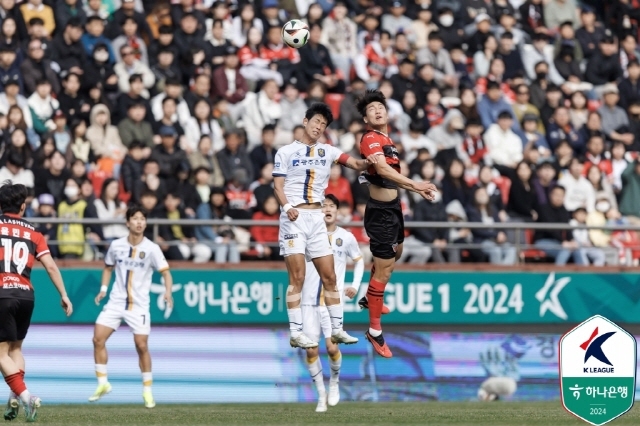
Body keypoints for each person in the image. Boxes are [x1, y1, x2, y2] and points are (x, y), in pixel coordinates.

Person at [272, 103, 373, 349]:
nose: (319, 127)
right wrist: (287, 208)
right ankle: (296, 332)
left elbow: (356, 164)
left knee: (329, 276)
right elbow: (277, 187)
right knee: (297, 277)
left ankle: (337, 329)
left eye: (324, 125)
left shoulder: (328, 151)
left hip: (317, 218)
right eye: (316, 121)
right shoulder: (285, 152)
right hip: (293, 218)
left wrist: (372, 160)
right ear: (305, 121)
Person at [355, 90, 436, 358]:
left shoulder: (388, 139)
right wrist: (417, 186)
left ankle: (370, 296)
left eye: (381, 107)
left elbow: (391, 176)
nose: (377, 111)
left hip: (394, 208)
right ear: (366, 118)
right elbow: (384, 171)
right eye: (371, 109)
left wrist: (412, 191)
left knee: (396, 252)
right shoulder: (369, 139)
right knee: (385, 270)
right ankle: (375, 332)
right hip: (380, 213)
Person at [0, 182, 73, 422]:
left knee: (0, 354)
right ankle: (14, 399)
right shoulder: (34, 233)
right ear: (22, 207)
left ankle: (25, 396)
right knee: (16, 349)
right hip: (26, 294)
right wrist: (63, 294)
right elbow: (50, 265)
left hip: (2, 293)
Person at [90, 205, 173, 408]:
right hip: (116, 301)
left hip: (139, 305)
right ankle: (103, 383)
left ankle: (147, 390)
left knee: (141, 345)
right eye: (135, 218)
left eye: (142, 219)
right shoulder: (116, 245)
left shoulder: (152, 248)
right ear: (127, 222)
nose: (139, 222)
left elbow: (166, 273)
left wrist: (168, 292)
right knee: (97, 339)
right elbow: (108, 268)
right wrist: (103, 289)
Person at [300, 194, 364, 412]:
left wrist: (355, 285)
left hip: (331, 301)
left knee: (331, 346)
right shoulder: (306, 236)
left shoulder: (345, 237)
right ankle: (321, 394)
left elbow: (359, 261)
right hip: (308, 301)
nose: (327, 209)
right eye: (323, 206)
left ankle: (334, 382)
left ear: (337, 212)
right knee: (310, 350)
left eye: (331, 206)